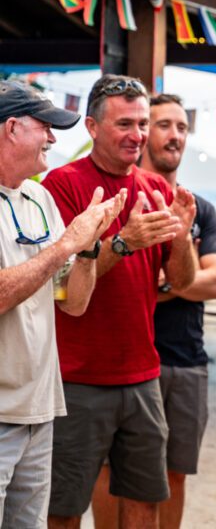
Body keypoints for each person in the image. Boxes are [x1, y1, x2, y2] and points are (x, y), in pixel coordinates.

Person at [42, 75, 198, 529]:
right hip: (77, 378)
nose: (139, 135)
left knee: (144, 502)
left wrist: (182, 238)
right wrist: (123, 243)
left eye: (143, 123)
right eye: (124, 124)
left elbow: (181, 283)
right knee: (64, 509)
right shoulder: (62, 184)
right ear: (91, 127)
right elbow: (63, 284)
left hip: (143, 375)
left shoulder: (156, 187)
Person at [89, 93, 216, 529]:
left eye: (182, 127)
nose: (174, 136)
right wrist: (177, 280)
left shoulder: (199, 208)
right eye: (164, 125)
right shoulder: (120, 201)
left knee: (173, 473)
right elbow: (100, 278)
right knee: (108, 472)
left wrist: (166, 282)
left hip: (186, 358)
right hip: (121, 359)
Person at [0, 81, 124, 527]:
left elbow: (72, 302)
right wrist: (65, 243)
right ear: (12, 128)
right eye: (46, 126)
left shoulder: (38, 196)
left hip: (39, 409)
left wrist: (89, 247)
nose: (54, 138)